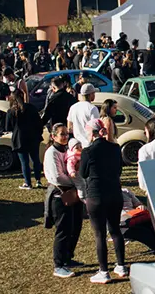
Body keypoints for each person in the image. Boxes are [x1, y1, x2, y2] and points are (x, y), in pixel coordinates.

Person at [79, 117, 129, 283]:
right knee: (115, 230)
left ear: (92, 134)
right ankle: (121, 265)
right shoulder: (115, 148)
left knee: (99, 234)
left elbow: (83, 173)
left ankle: (103, 271)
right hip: (114, 193)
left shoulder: (88, 151)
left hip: (96, 195)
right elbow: (119, 169)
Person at [43, 123, 83, 278]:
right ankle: (59, 265)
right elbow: (57, 176)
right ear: (53, 136)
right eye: (62, 134)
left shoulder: (68, 149)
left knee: (76, 226)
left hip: (72, 193)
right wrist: (76, 181)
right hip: (60, 195)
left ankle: (68, 257)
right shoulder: (51, 152)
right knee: (64, 229)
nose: (66, 136)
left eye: (67, 133)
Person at [7, 91, 44, 190]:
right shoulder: (31, 108)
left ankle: (28, 183)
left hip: (20, 138)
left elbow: (7, 126)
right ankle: (38, 180)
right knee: (35, 159)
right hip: (33, 136)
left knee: (24, 162)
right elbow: (39, 122)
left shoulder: (11, 112)